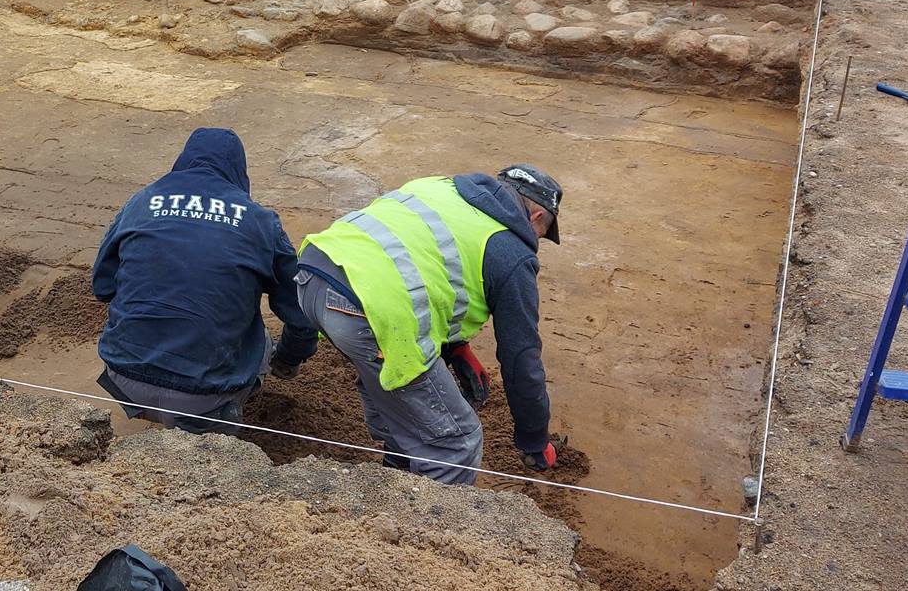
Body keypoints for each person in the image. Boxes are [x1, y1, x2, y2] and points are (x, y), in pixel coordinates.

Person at [288, 165, 565, 485]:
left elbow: (423, 264)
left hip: (313, 276)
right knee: (456, 444)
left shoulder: (442, 188)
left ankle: (396, 481)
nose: (536, 241)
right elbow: (521, 357)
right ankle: (428, 530)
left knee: (408, 410)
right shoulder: (512, 252)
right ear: (536, 216)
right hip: (366, 308)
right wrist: (533, 439)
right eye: (543, 233)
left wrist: (456, 347)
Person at [93, 129, 318, 435]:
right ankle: (215, 424)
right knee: (260, 337)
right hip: (203, 395)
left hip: (124, 377)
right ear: (239, 170)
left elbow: (103, 287)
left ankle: (159, 409)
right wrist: (289, 359)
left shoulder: (141, 202)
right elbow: (302, 312)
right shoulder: (261, 222)